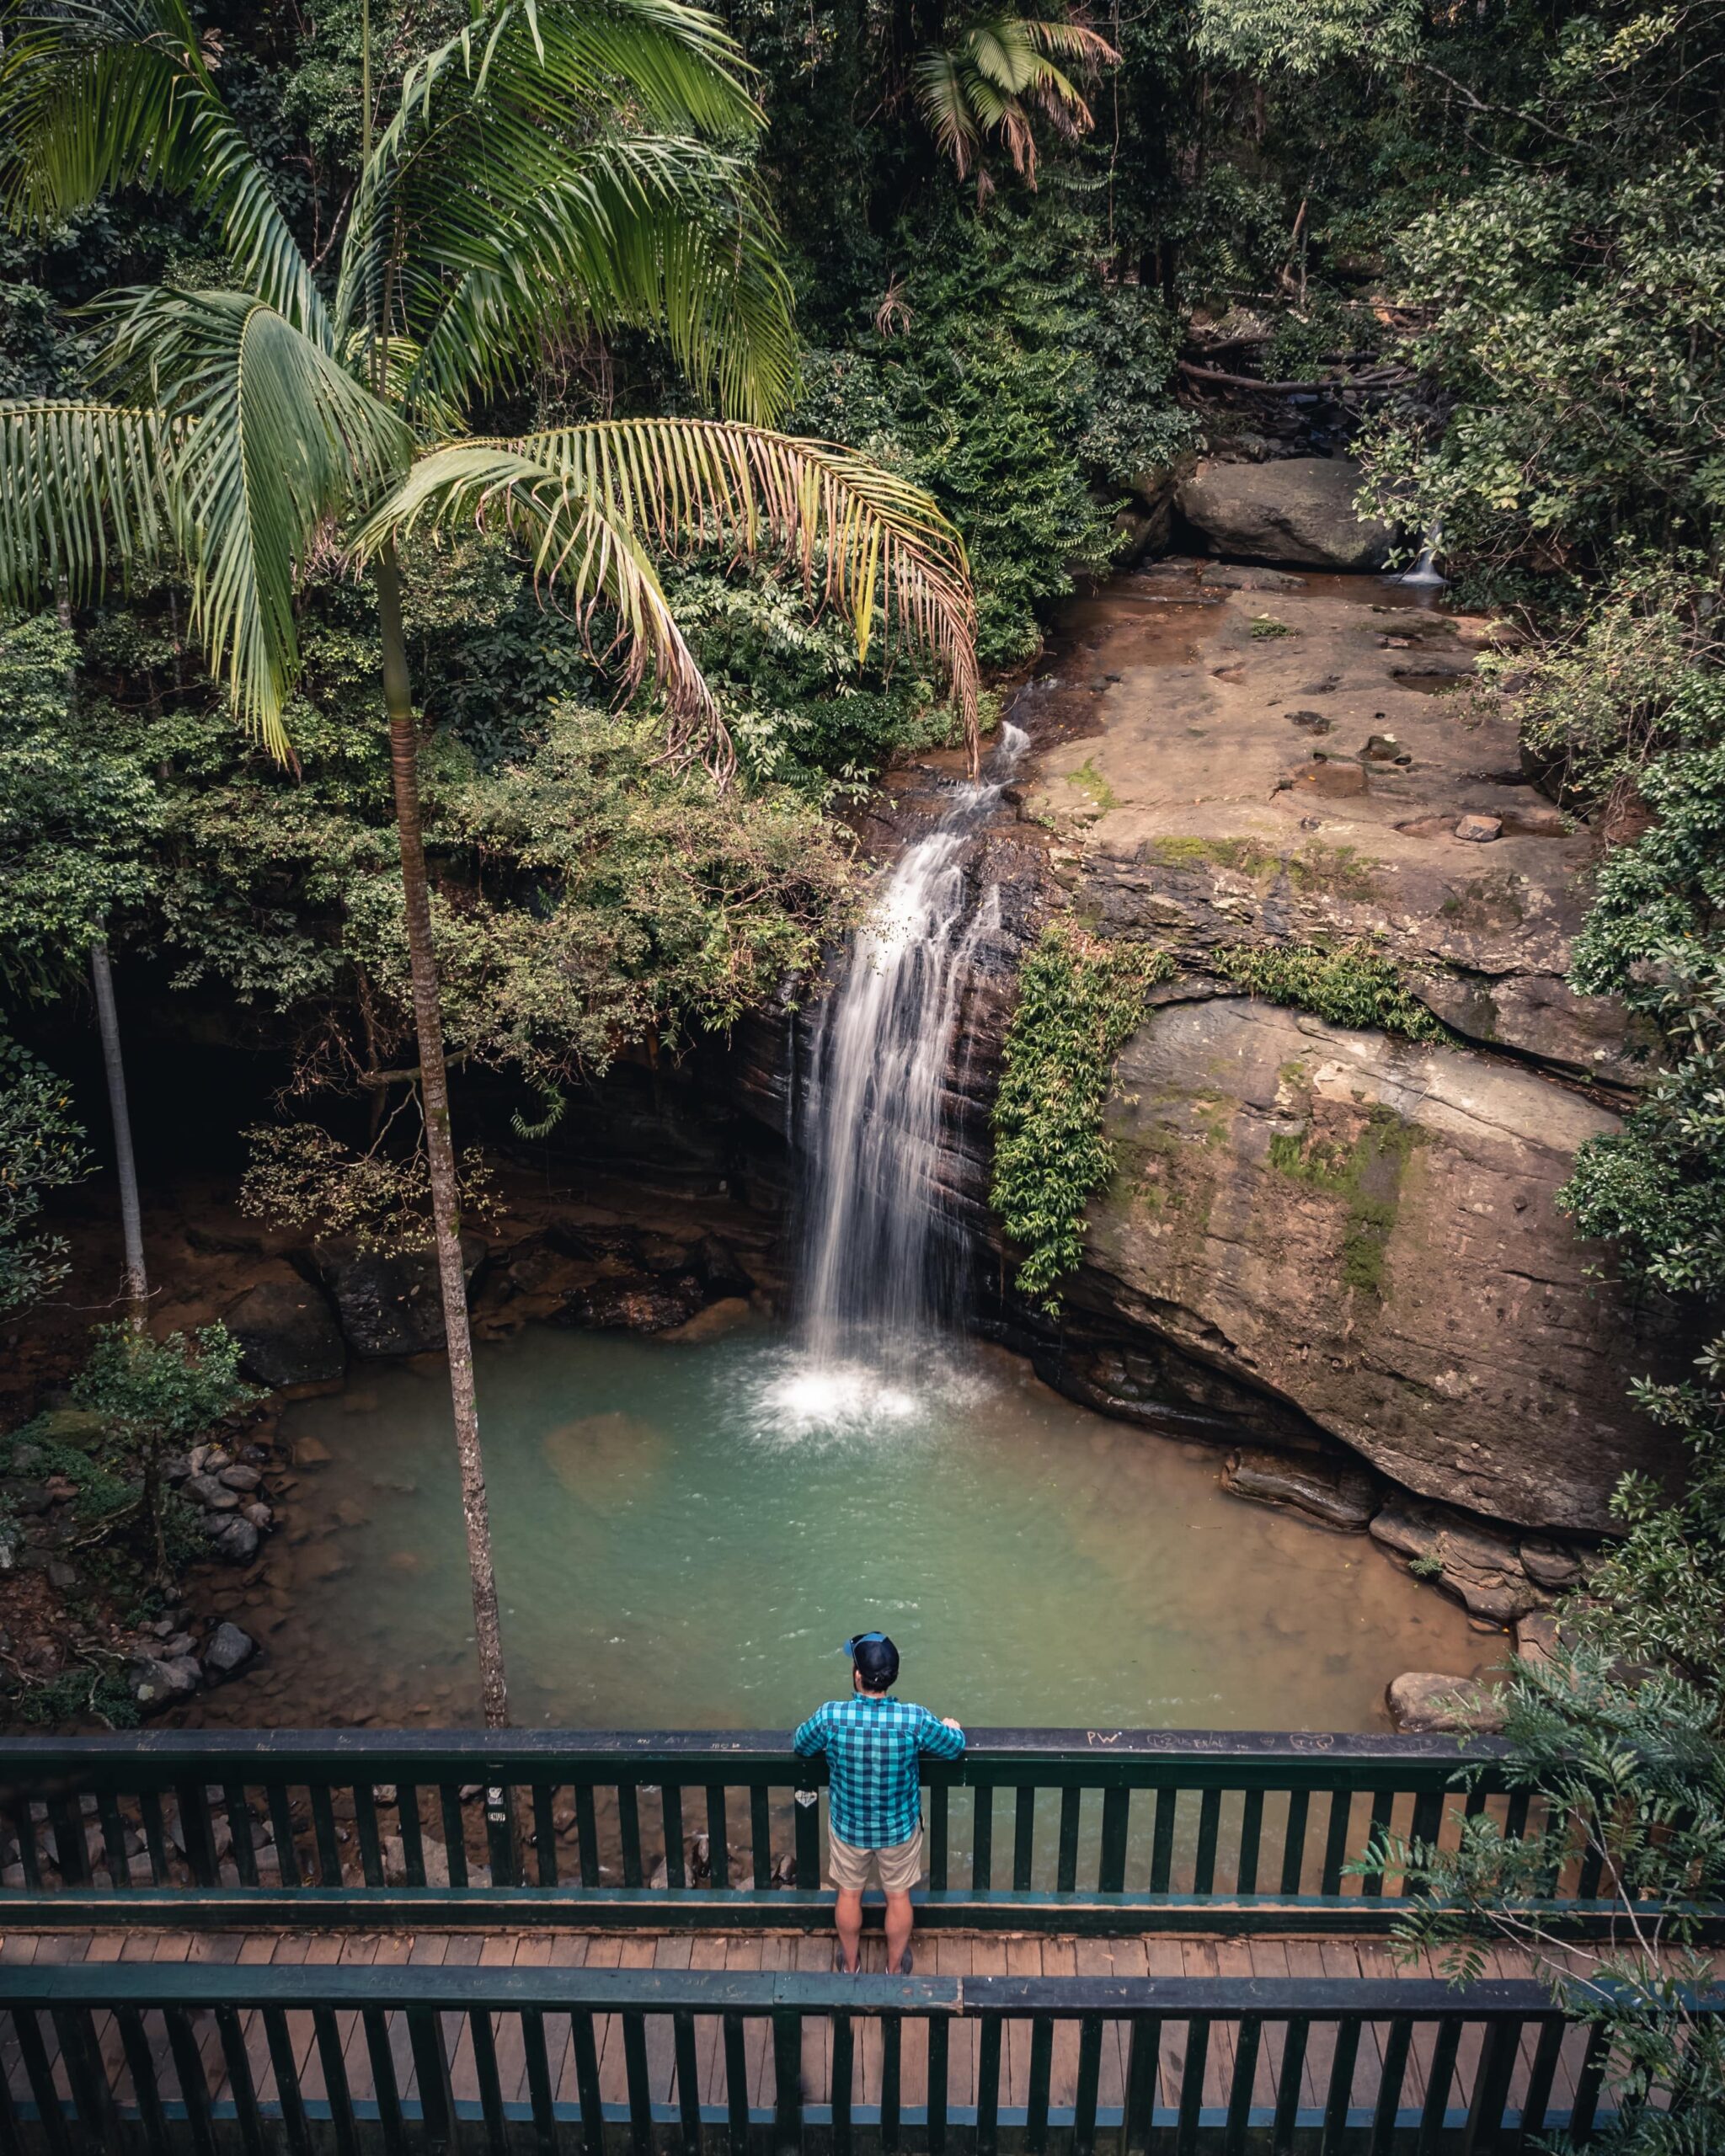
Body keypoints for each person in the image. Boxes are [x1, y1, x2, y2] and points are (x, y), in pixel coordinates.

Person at [793, 1631, 964, 1974]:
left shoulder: (832, 1717)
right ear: (892, 1677)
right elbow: (953, 1746)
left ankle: (850, 1965)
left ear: (858, 1676)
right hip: (898, 1828)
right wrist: (952, 1727)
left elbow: (801, 1743)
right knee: (898, 1897)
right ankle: (894, 1967)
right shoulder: (912, 1719)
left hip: (848, 1826)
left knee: (849, 1894)